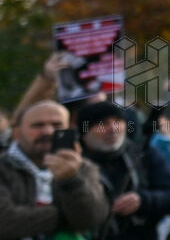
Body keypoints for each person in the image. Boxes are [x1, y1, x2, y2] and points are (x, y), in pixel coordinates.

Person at [0, 100, 109, 238]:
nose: (48, 131)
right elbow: (5, 222)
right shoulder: (3, 167)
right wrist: (67, 218)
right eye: (38, 125)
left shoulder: (83, 168)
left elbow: (92, 219)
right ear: (17, 132)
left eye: (57, 125)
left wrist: (70, 180)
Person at [76, 99, 170, 240]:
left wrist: (143, 200)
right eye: (103, 123)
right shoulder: (74, 163)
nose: (113, 129)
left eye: (118, 121)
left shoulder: (143, 154)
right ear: (85, 131)